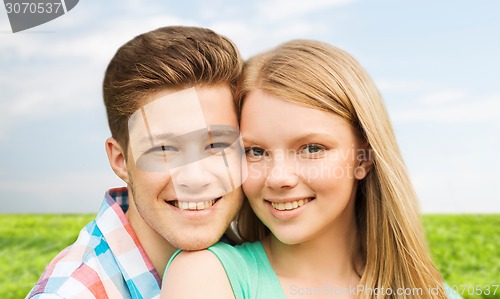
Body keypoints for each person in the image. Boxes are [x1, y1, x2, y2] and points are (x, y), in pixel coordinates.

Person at [161, 40, 462, 299]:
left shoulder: (430, 292)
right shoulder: (206, 277)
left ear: (364, 158)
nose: (279, 177)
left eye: (312, 149)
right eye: (256, 152)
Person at [27, 25, 245, 298]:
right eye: (165, 148)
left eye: (216, 145)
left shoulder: (252, 251)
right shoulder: (74, 292)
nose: (195, 177)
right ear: (120, 160)